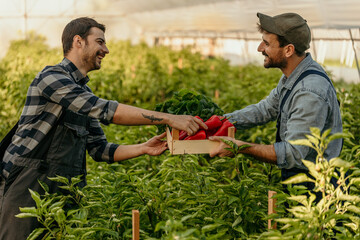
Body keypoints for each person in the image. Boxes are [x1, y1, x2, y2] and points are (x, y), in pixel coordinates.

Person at [0, 17, 207, 239]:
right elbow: (106, 110)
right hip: (26, 189)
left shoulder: (83, 93)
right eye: (100, 42)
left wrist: (144, 148)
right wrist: (168, 118)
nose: (105, 50)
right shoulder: (51, 78)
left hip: (63, 193)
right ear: (78, 41)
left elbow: (100, 149)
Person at [209, 13, 342, 192]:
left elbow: (293, 153)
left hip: (316, 188)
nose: (259, 48)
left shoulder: (309, 91)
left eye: (267, 43)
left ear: (288, 50)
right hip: (300, 180)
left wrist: (240, 147)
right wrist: (220, 122)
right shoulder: (294, 75)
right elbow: (266, 109)